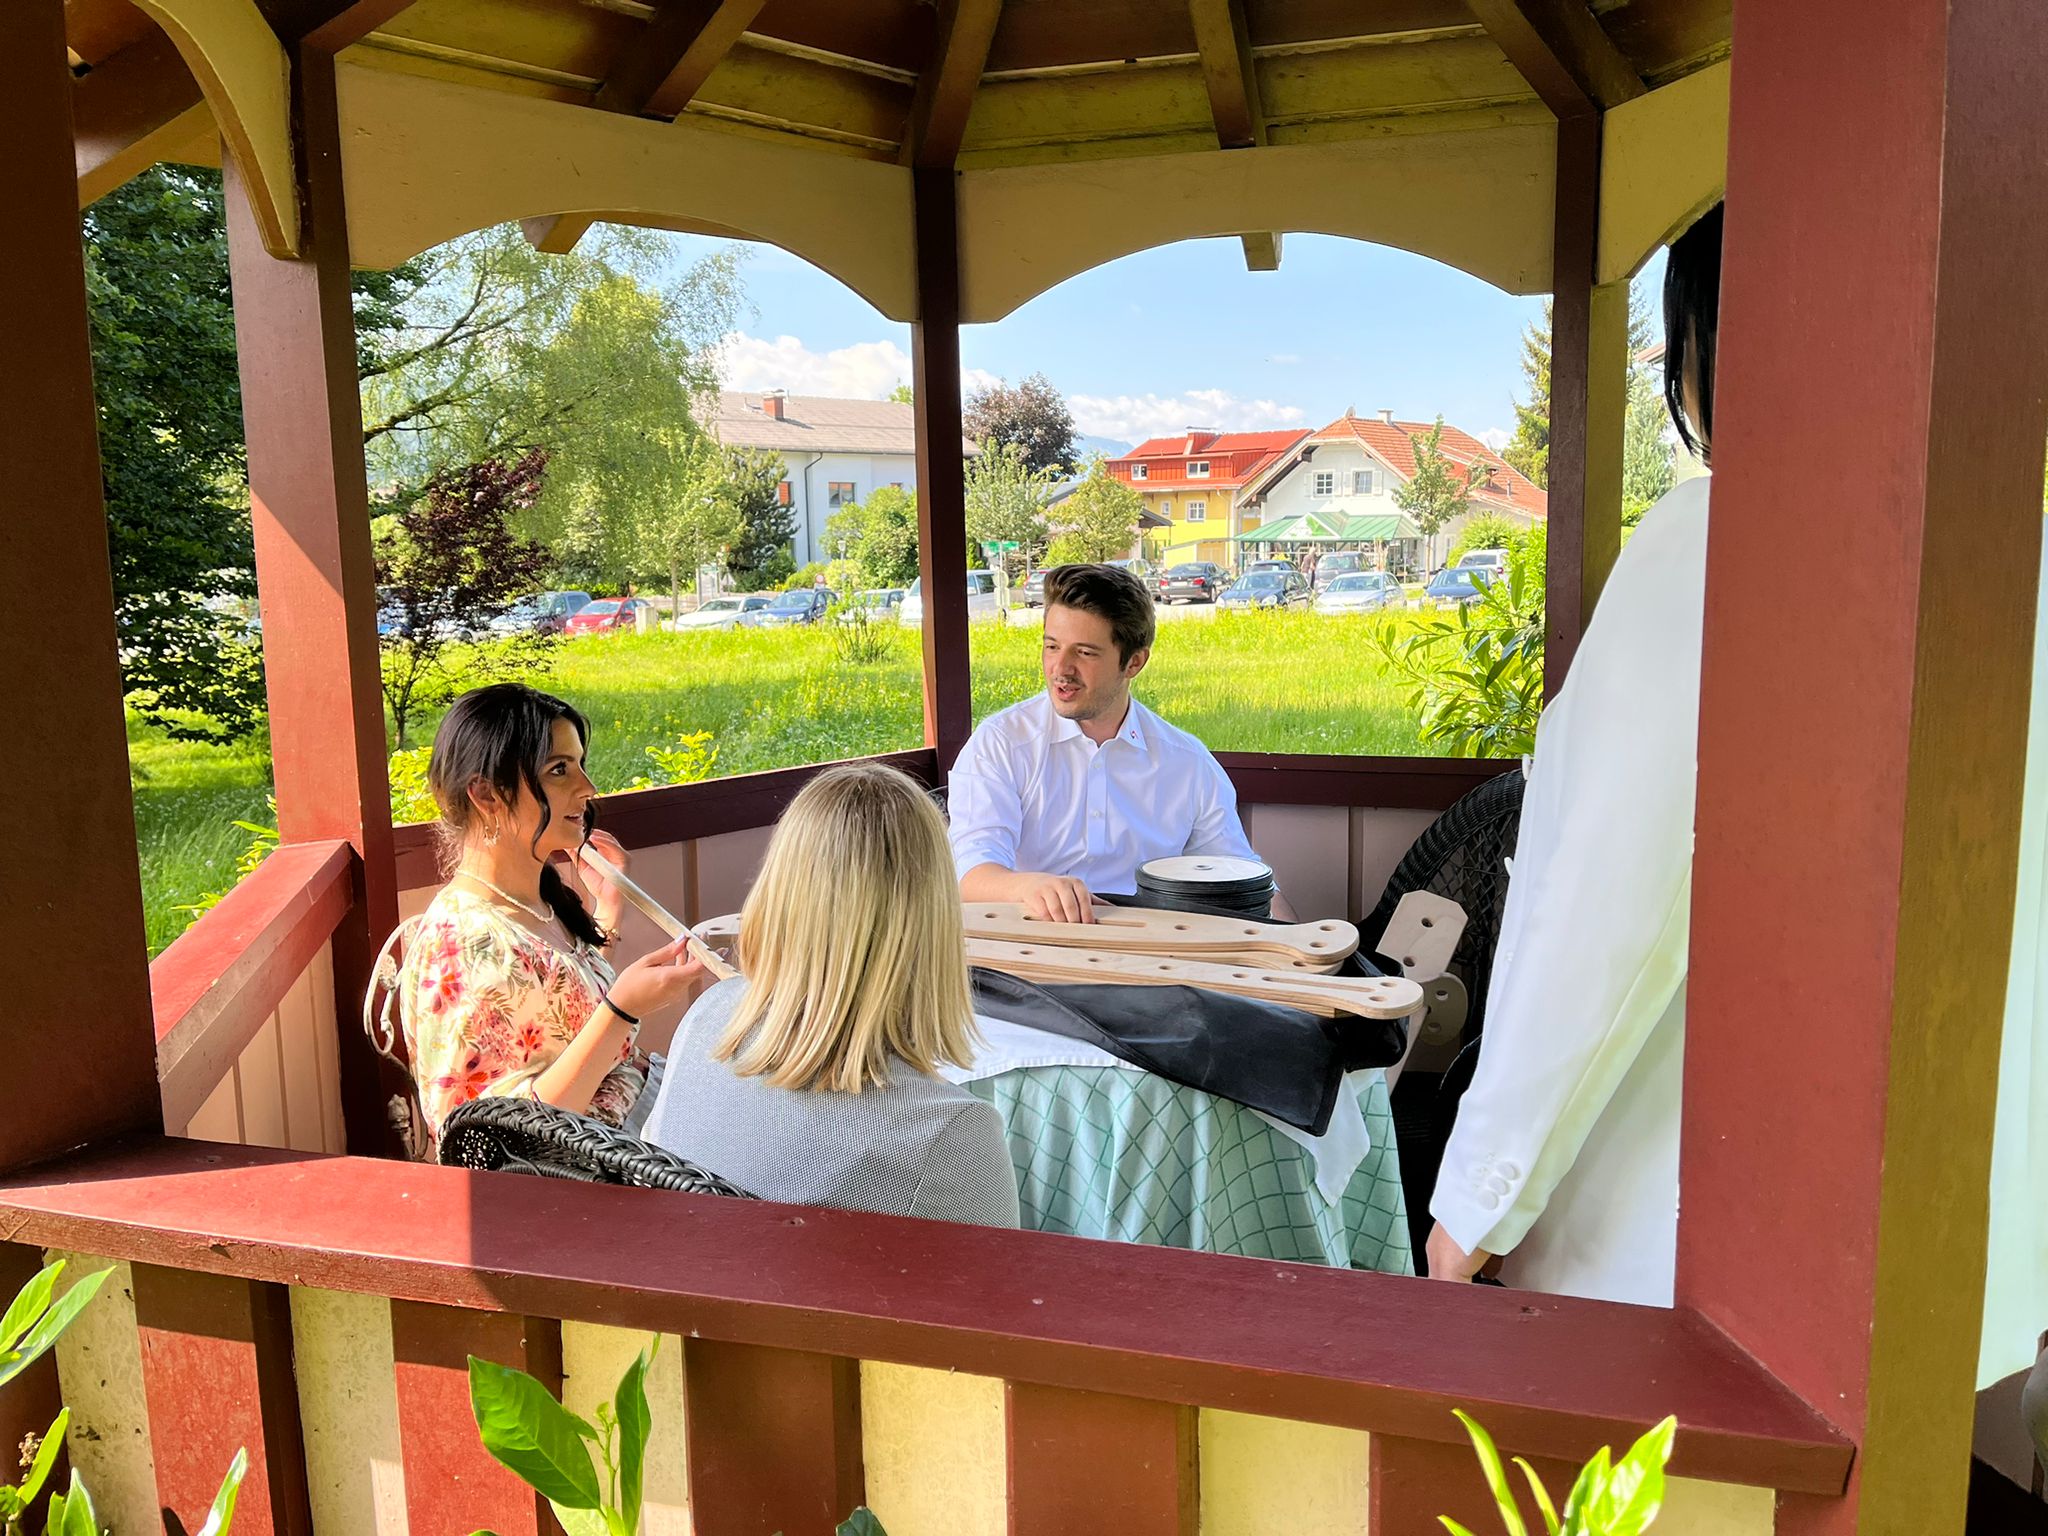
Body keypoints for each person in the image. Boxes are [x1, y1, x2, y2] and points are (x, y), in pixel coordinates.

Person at [1421, 207, 1725, 1302]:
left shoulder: (1706, 547)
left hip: (1658, 1228)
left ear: (1702, 352)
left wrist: (1476, 1203)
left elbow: (1611, 901)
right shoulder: (2001, 560)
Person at [644, 762, 1020, 1226]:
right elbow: (996, 1273)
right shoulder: (952, 1133)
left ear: (779, 890)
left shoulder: (707, 1018)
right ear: (933, 920)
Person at [383, 684, 707, 1156]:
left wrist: (608, 907)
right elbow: (500, 1143)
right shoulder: (464, 948)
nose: (588, 788)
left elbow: (553, 1006)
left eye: (580, 764)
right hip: (605, 1168)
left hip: (643, 1120)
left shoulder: (534, 903)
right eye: (559, 770)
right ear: (487, 794)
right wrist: (622, 1010)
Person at [948, 562, 1278, 924]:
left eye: (1084, 652)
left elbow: (1242, 881)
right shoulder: (1000, 744)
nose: (1061, 668)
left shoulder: (1187, 762)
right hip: (1030, 946)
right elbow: (969, 874)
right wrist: (1030, 887)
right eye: (1052, 646)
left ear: (1134, 662)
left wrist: (1296, 939)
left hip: (1151, 947)